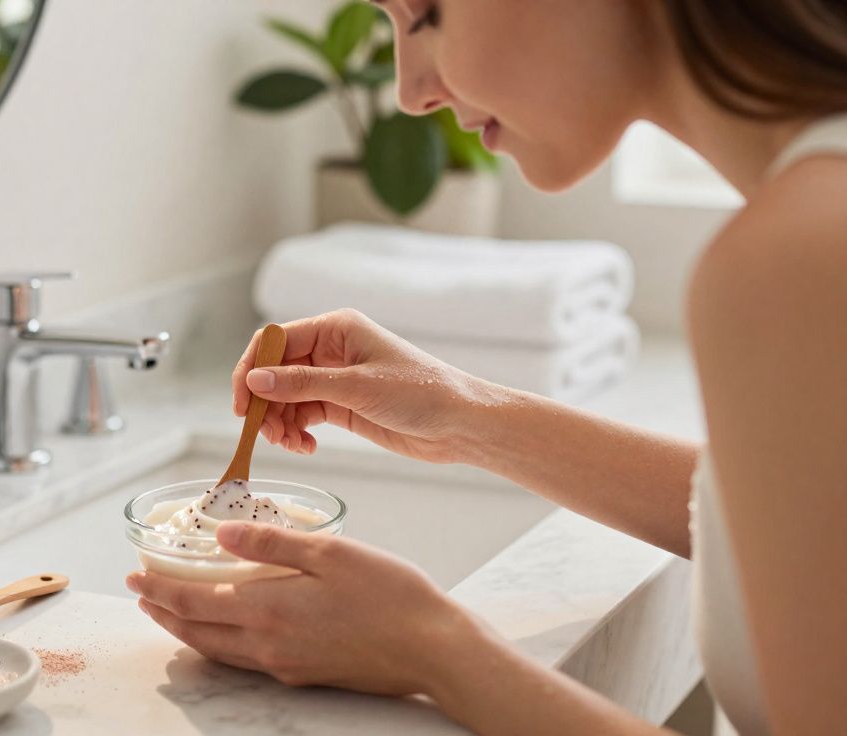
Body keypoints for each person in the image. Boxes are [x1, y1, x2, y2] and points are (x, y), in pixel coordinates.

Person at [124, 2, 847, 733]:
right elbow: (797, 527)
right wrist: (466, 418)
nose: (412, 92)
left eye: (428, 15)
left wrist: (434, 649)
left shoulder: (801, 254)